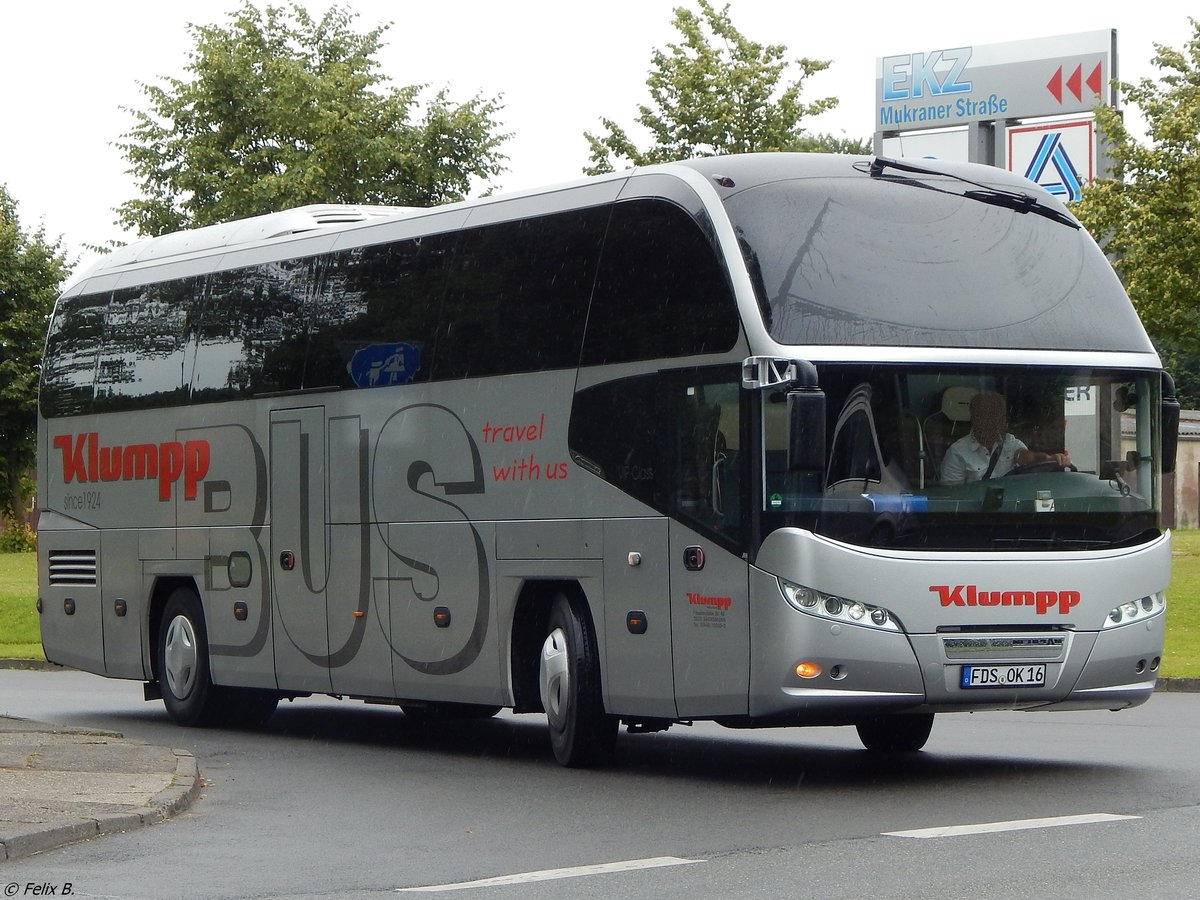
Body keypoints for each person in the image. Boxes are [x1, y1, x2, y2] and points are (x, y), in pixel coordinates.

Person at [941, 392, 1069, 485]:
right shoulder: (957, 451)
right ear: (975, 417)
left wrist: (1048, 458)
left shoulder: (1009, 442)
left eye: (999, 415)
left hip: (1011, 508)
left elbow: (1027, 456)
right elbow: (953, 495)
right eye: (988, 415)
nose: (995, 421)